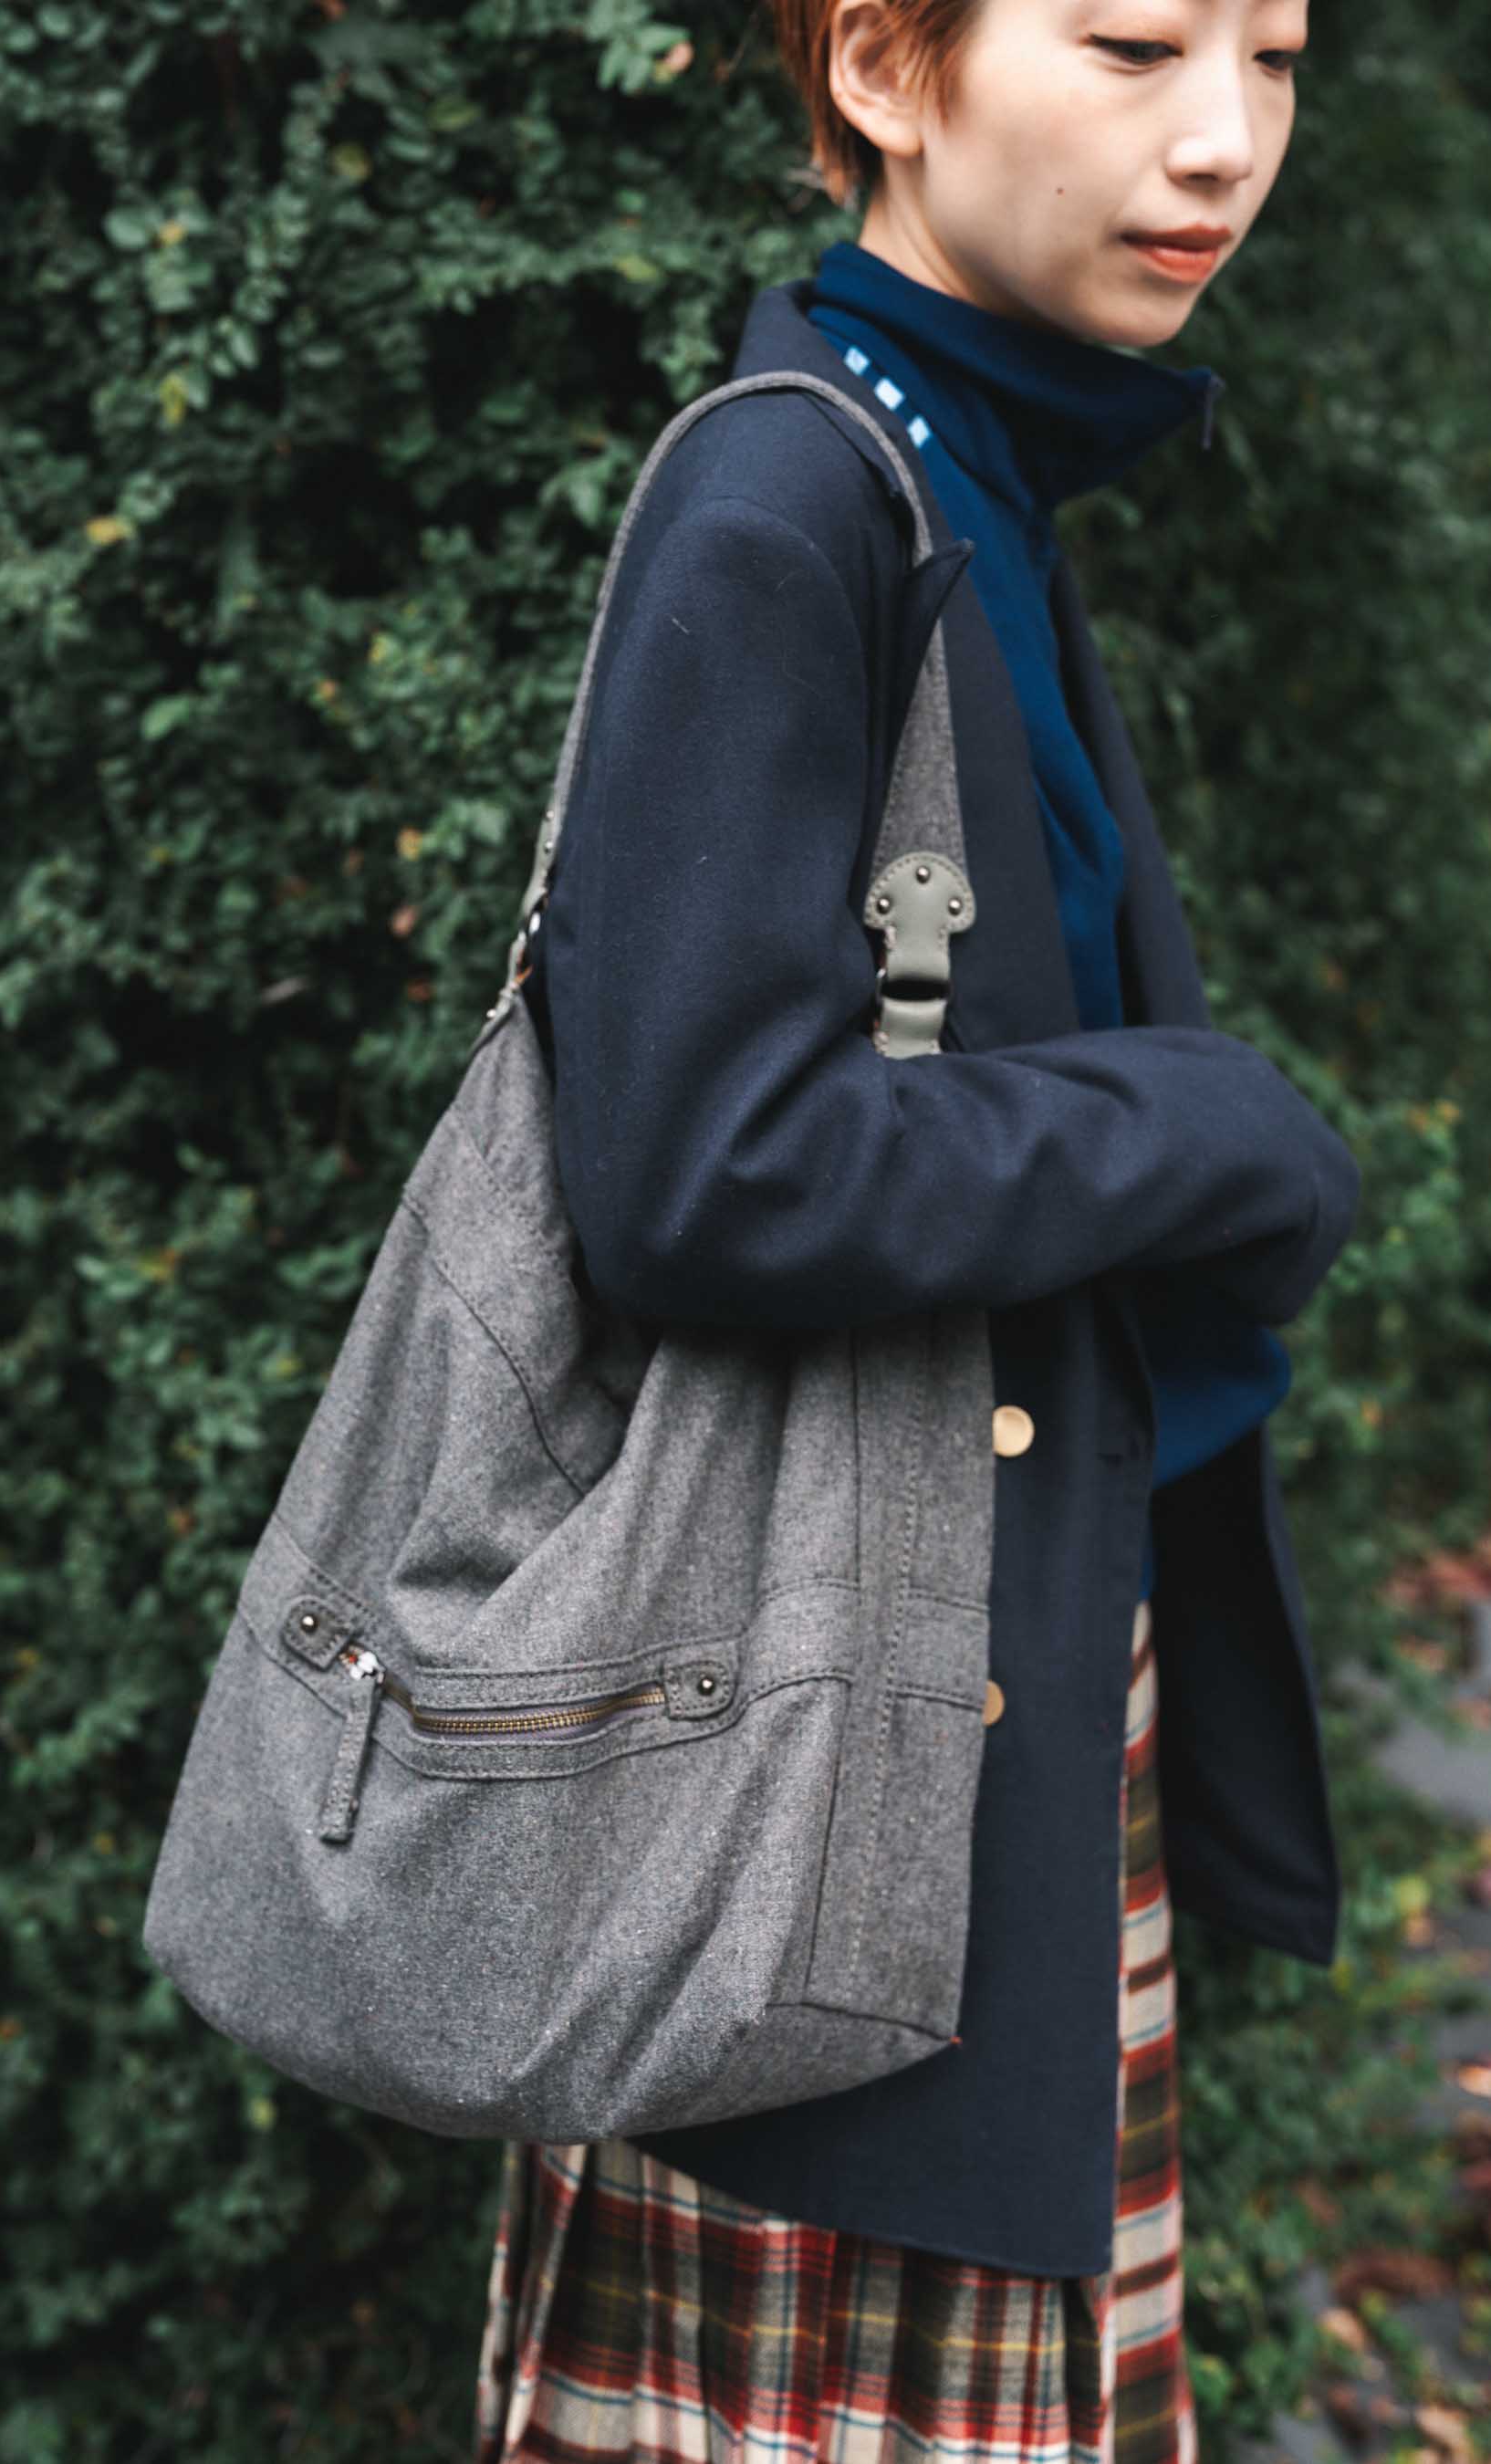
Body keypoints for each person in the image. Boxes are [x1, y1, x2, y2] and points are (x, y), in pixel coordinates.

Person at [474, 0, 1343, 2455]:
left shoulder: (967, 467)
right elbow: (698, 1165)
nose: (1226, 137)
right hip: (818, 1819)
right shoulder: (796, 504)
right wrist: (1194, 1125)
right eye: (1138, 40)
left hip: (948, 1754)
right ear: (881, 63)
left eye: (1278, 54)